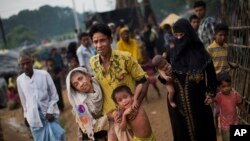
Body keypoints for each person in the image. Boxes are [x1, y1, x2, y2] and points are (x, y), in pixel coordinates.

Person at [158, 19, 217, 141]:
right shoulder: (171, 51)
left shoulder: (200, 52)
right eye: (176, 35)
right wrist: (164, 77)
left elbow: (211, 74)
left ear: (189, 33)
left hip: (199, 103)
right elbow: (163, 74)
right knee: (182, 134)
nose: (179, 38)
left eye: (182, 35)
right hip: (178, 105)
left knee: (203, 132)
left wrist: (211, 93)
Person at [88, 23, 148, 140]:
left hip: (132, 115)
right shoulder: (93, 62)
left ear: (110, 40)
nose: (99, 45)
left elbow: (143, 80)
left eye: (102, 40)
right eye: (95, 42)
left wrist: (135, 106)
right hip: (112, 118)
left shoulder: (125, 58)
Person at [16, 51, 66, 141]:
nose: (25, 66)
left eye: (28, 63)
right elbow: (24, 101)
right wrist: (26, 116)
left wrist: (50, 111)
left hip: (49, 116)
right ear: (20, 65)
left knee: (58, 137)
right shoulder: (19, 80)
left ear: (33, 62)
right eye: (22, 64)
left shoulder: (44, 74)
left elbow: (54, 95)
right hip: (34, 119)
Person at [66, 67, 108, 141]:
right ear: (76, 90)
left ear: (88, 76)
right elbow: (88, 126)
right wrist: (108, 117)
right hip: (92, 134)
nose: (81, 84)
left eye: (80, 78)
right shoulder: (80, 106)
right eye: (76, 84)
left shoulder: (99, 83)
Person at [212, 73, 242, 141]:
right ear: (219, 87)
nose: (227, 88)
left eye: (228, 85)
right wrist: (210, 99)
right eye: (223, 86)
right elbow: (212, 99)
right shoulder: (219, 96)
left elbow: (240, 105)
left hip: (235, 122)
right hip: (225, 126)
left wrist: (246, 111)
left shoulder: (235, 95)